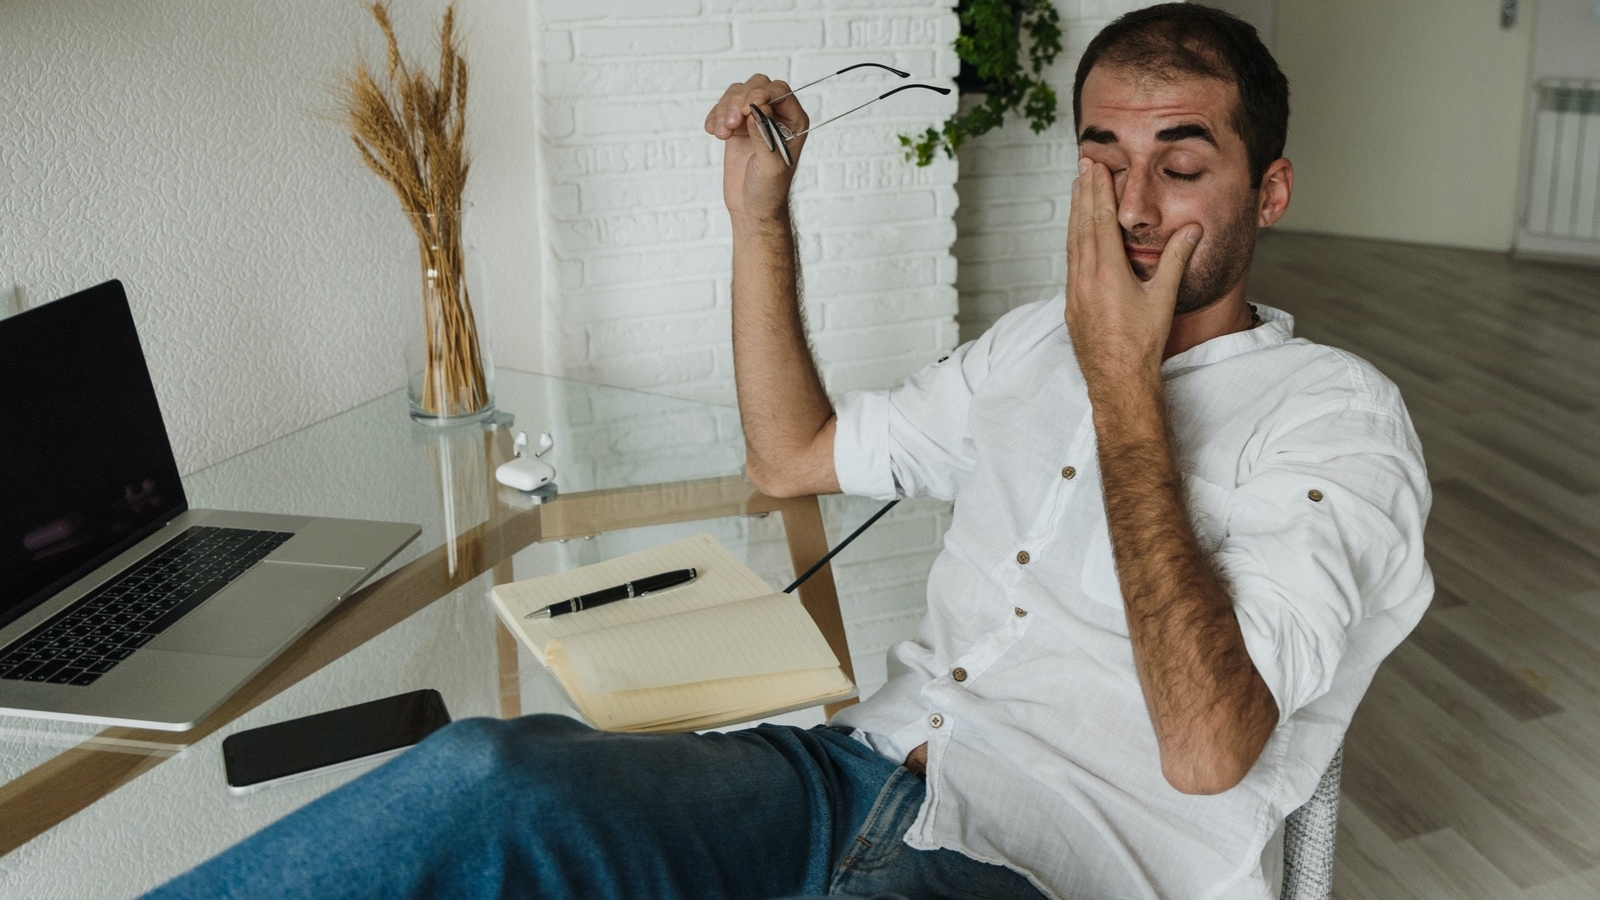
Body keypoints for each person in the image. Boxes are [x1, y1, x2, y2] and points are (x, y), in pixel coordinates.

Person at [144, 5, 1431, 899]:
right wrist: (761, 219)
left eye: (1179, 164)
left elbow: (1209, 753)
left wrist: (1123, 389)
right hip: (846, 775)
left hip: (1048, 866)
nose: (1132, 208)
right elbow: (791, 457)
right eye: (1104, 159)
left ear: (1266, 191)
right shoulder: (1031, 347)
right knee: (486, 774)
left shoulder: (1335, 418)